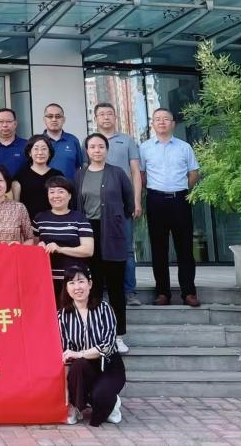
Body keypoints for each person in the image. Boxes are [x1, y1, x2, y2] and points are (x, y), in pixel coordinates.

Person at [75, 133, 135, 353]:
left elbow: (129, 203)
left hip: (112, 232)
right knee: (94, 287)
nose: (97, 150)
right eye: (92, 147)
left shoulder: (117, 173)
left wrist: (116, 219)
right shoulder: (79, 175)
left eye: (101, 146)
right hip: (88, 234)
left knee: (116, 288)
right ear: (87, 151)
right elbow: (76, 205)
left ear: (106, 150)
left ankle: (118, 336)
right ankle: (96, 335)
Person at [140, 108, 201, 307]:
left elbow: (193, 173)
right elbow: (141, 175)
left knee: (185, 248)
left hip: (180, 200)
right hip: (155, 200)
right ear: (152, 124)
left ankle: (189, 292)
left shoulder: (184, 147)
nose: (162, 122)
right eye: (157, 119)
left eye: (166, 119)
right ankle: (162, 293)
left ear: (173, 123)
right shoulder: (144, 148)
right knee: (159, 249)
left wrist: (181, 189)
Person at [58, 265, 126, 427]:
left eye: (81, 281)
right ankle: (76, 406)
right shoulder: (62, 316)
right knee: (77, 366)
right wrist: (66, 394)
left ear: (90, 284)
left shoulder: (104, 309)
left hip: (108, 364)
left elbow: (107, 346)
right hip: (83, 367)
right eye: (71, 283)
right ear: (66, 288)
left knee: (100, 397)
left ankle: (112, 402)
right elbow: (66, 356)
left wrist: (80, 353)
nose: (77, 287)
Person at [95, 102, 144, 306]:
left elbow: (135, 172)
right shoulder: (91, 142)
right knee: (100, 249)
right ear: (96, 118)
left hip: (123, 204)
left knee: (126, 249)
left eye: (109, 113)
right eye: (101, 114)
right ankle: (104, 292)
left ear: (115, 117)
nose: (106, 117)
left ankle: (129, 291)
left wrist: (136, 201)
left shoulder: (127, 141)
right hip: (97, 206)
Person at [34, 176, 94, 305]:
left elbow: (88, 250)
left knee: (72, 313)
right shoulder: (39, 219)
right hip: (47, 280)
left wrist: (60, 249)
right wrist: (38, 246)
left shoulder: (79, 218)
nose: (56, 196)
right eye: (52, 192)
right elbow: (32, 246)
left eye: (61, 191)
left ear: (69, 195)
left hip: (74, 281)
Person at [15, 134, 64, 222]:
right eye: (36, 148)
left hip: (54, 224)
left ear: (49, 153)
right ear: (30, 153)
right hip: (29, 225)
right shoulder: (20, 176)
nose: (40, 152)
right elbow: (16, 206)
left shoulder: (58, 175)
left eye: (44, 149)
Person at [42, 103, 85, 179]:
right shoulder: (38, 142)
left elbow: (79, 167)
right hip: (44, 186)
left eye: (58, 116)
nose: (54, 119)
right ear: (44, 120)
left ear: (64, 120)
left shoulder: (73, 140)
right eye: (50, 116)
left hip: (70, 186)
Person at [0, 108, 27, 177]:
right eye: (1, 121)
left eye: (9, 121)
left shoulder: (27, 145)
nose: (5, 125)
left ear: (15, 124)